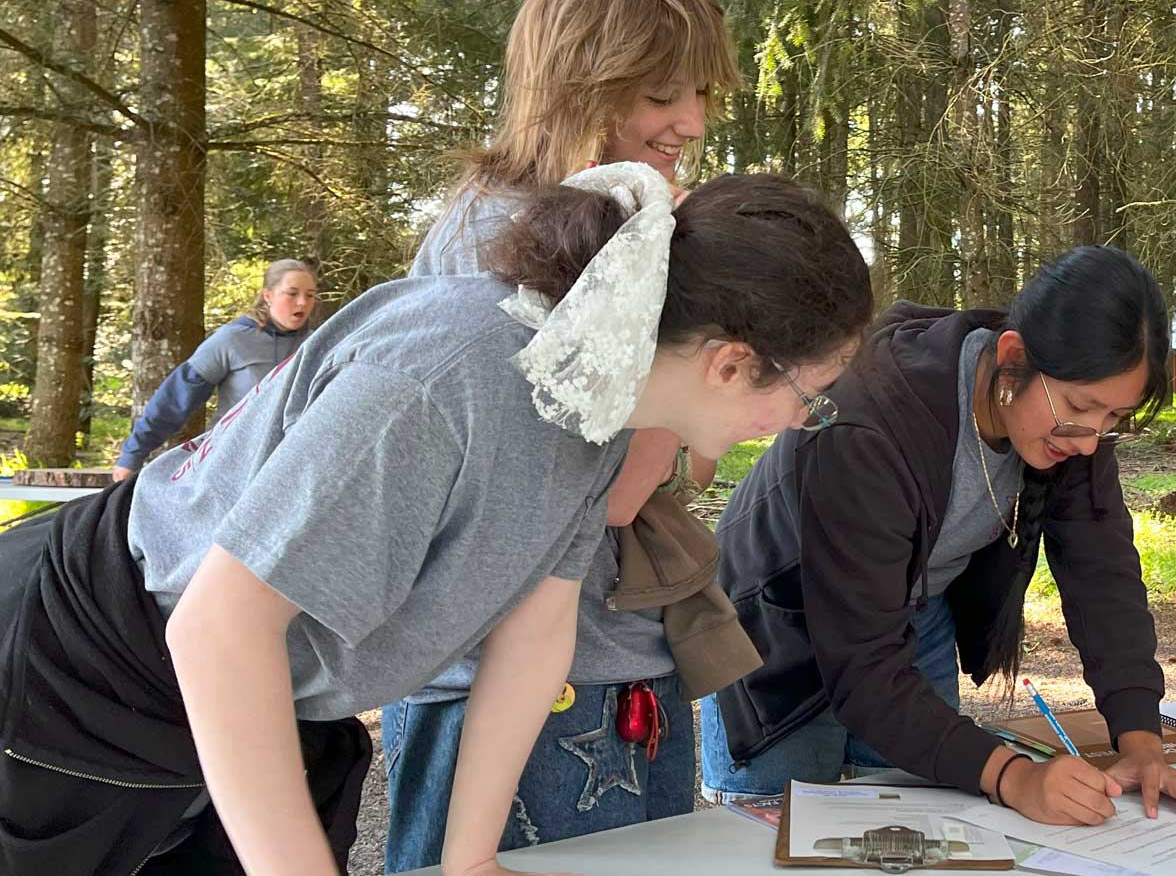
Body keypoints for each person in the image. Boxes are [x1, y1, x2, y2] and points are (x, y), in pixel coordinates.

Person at [0, 163, 873, 876]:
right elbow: (219, 632)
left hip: (229, 692)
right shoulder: (452, 376)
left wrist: (471, 860)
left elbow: (535, 635)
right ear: (731, 363)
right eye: (812, 396)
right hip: (79, 660)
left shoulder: (600, 397)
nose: (802, 423)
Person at [382, 0, 742, 870]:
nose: (690, 121)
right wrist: (682, 310)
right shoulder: (542, 241)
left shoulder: (485, 215)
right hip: (547, 694)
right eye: (663, 94)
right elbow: (611, 494)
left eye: (699, 92)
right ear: (582, 82)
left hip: (575, 674)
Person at [703, 246, 1176, 825]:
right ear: (1013, 355)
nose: (1089, 441)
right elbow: (864, 667)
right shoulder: (868, 423)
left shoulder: (1071, 424)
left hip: (911, 616)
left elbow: (1103, 574)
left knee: (907, 826)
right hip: (778, 633)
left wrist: (1141, 739)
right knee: (783, 839)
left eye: (1114, 419)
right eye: (1082, 408)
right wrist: (1013, 776)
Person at [113, 258, 319, 480]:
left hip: (291, 467)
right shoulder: (232, 339)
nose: (302, 303)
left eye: (310, 296)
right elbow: (175, 399)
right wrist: (131, 456)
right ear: (268, 296)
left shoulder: (317, 345)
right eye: (292, 293)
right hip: (231, 464)